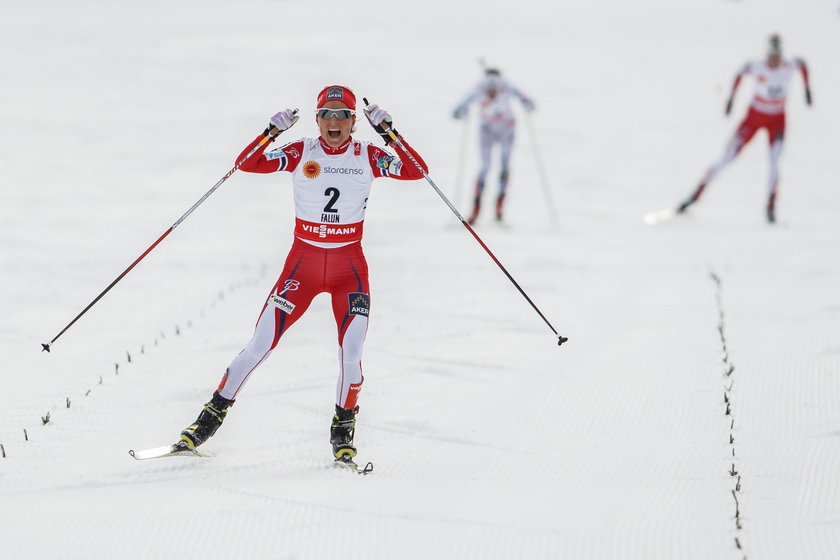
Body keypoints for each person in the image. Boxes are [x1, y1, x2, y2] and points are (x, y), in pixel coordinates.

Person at [177, 85, 428, 463]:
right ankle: (207, 421)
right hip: (303, 266)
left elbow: (417, 170)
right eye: (327, 114)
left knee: (352, 352)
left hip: (348, 269)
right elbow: (247, 164)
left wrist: (389, 133)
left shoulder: (367, 154)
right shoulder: (302, 151)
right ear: (317, 119)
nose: (334, 122)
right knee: (259, 344)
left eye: (343, 115)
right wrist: (270, 132)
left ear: (353, 122)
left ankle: (343, 432)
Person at [677, 34, 812, 223]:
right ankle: (695, 194)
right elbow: (740, 73)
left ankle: (770, 206)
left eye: (777, 57)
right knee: (727, 157)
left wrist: (807, 90)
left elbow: (803, 64)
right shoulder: (756, 66)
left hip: (777, 121)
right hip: (754, 118)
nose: (774, 61)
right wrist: (731, 99)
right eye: (771, 56)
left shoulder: (789, 65)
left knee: (774, 162)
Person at [452, 68, 535, 224]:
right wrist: (461, 112)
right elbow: (457, 109)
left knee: (504, 165)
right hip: (486, 131)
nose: (491, 93)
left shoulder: (508, 86)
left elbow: (528, 100)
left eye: (494, 90)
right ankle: (475, 209)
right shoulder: (478, 88)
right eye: (489, 90)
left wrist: (527, 104)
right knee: (484, 167)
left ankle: (499, 208)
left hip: (507, 130)